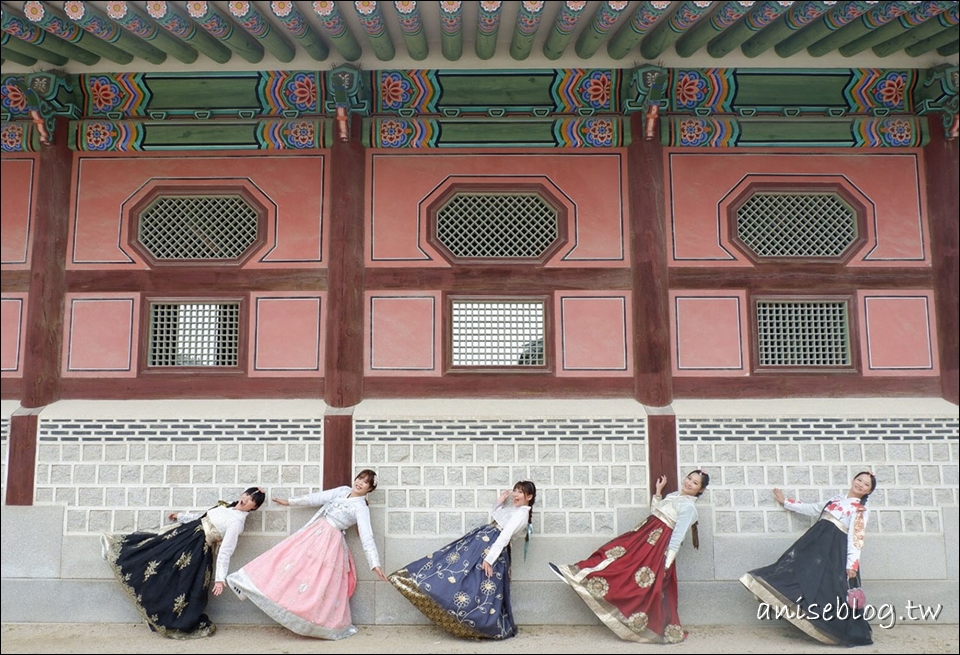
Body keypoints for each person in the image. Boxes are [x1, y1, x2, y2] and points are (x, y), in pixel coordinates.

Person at [549, 470, 709, 644]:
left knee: (631, 577)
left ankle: (585, 582)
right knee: (612, 553)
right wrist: (658, 491)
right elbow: (656, 511)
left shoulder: (689, 508)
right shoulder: (673, 496)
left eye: (695, 483)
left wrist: (666, 563)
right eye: (689, 478)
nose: (689, 483)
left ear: (700, 490)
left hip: (656, 546)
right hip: (642, 535)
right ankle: (578, 574)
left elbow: (678, 535)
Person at [226, 470, 387, 640]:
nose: (360, 482)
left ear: (370, 489)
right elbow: (317, 498)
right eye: (360, 478)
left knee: (316, 581)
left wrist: (374, 563)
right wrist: (290, 502)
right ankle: (245, 584)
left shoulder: (361, 508)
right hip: (315, 531)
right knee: (285, 560)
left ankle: (308, 619)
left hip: (331, 542)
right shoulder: (342, 491)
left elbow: (367, 536)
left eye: (366, 482)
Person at [101, 486, 266, 639]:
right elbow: (200, 518)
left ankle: (158, 615)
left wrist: (220, 578)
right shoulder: (224, 507)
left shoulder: (237, 523)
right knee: (155, 554)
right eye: (247, 494)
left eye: (252, 499)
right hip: (185, 535)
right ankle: (118, 550)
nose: (246, 498)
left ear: (253, 507)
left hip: (196, 549)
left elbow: (226, 551)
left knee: (176, 581)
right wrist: (180, 516)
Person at [740, 471, 877, 646]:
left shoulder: (860, 510)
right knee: (801, 573)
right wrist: (786, 502)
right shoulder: (836, 499)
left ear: (869, 491)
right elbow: (813, 508)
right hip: (816, 545)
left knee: (830, 587)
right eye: (859, 480)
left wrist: (852, 564)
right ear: (853, 480)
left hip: (834, 551)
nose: (860, 484)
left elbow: (856, 538)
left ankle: (833, 629)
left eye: (866, 484)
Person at [388, 480, 537, 640]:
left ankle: (475, 622)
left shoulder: (521, 514)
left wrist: (489, 559)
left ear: (529, 496)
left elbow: (505, 536)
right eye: (515, 490)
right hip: (483, 545)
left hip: (490, 549)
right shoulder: (514, 510)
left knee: (477, 585)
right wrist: (500, 502)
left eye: (520, 492)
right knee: (460, 572)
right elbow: (497, 520)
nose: (515, 494)